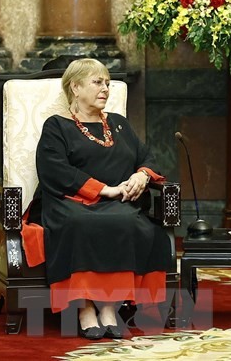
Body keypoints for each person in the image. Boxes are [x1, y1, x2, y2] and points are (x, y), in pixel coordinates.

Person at [28, 58, 171, 340]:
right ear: (76, 87)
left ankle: (108, 307)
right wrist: (106, 190)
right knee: (80, 223)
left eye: (107, 83)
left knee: (128, 221)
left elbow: (147, 157)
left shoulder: (118, 124)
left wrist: (142, 176)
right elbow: (54, 171)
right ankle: (84, 308)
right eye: (97, 82)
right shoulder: (57, 126)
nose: (105, 88)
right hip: (69, 201)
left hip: (119, 203)